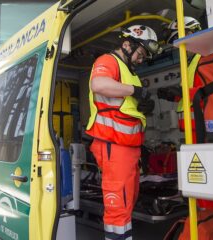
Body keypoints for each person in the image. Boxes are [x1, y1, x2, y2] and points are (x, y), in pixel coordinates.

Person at [86, 25, 159, 240]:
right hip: (114, 145)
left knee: (127, 200)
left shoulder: (130, 72)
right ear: (128, 44)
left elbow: (126, 106)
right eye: (141, 53)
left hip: (128, 148)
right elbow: (98, 84)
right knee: (119, 204)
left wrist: (142, 106)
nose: (141, 60)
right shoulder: (109, 61)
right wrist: (135, 91)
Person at [157, 17, 213, 209]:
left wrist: (183, 93)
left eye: (179, 38)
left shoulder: (206, 57)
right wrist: (174, 96)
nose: (177, 47)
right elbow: (195, 95)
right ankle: (203, 214)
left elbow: (212, 90)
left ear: (191, 33)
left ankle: (209, 217)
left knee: (206, 179)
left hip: (205, 131)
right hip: (193, 132)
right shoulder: (193, 61)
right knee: (198, 180)